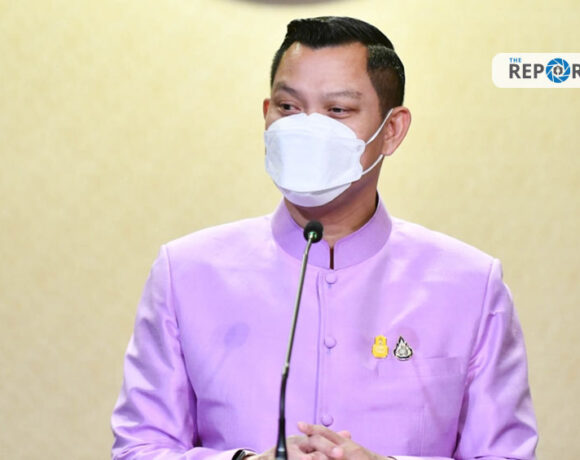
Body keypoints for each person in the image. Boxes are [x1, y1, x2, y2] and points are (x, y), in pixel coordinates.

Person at [111, 16, 538, 460]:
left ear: (391, 130)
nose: (307, 129)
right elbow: (138, 448)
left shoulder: (470, 284)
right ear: (266, 115)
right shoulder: (186, 273)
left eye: (337, 111)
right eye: (288, 107)